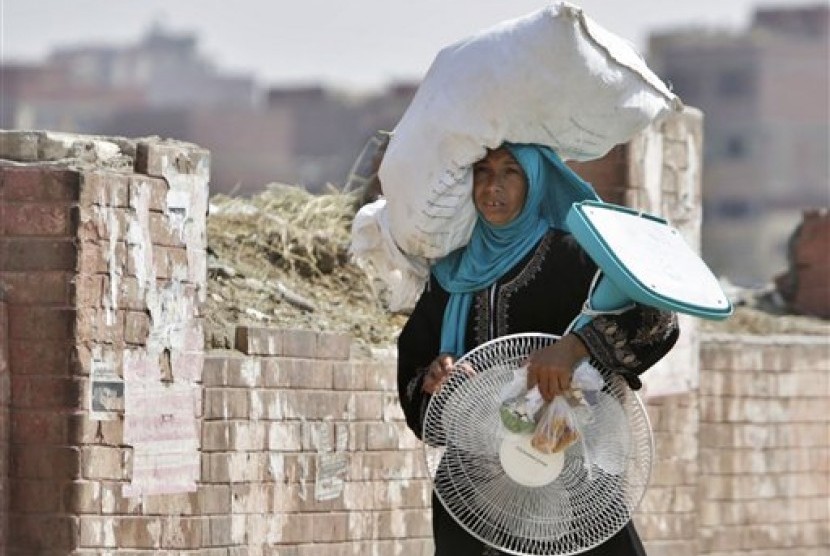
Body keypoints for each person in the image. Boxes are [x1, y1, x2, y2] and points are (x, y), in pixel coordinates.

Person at [397, 143, 680, 556]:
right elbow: (416, 357)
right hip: (474, 494)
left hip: (572, 483)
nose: (493, 186)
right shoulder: (451, 272)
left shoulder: (577, 258)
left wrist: (576, 346)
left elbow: (658, 320)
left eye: (511, 172)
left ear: (536, 183)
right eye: (483, 171)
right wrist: (434, 378)